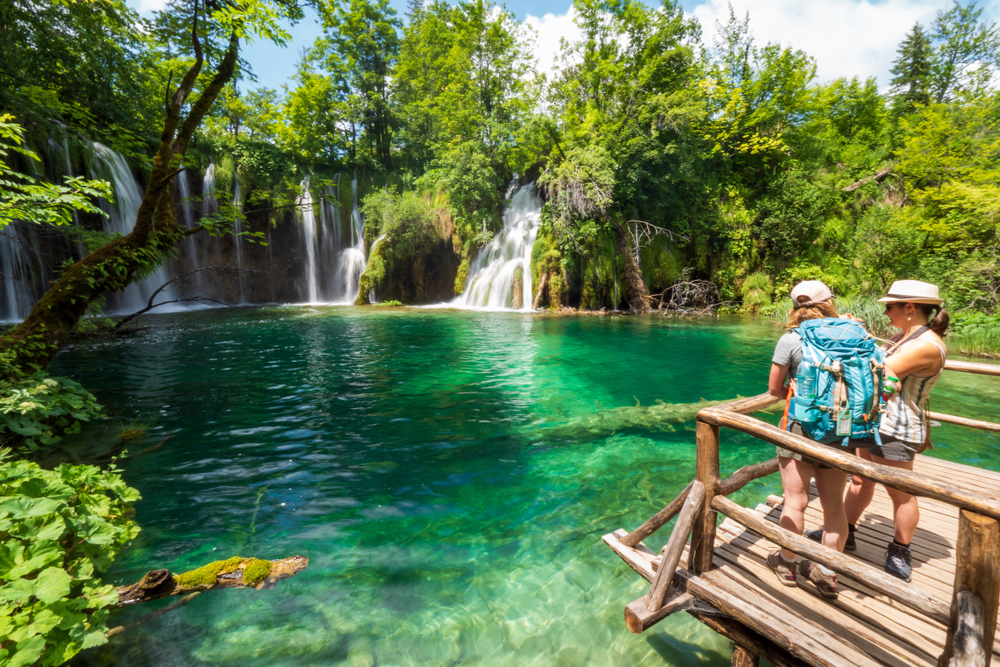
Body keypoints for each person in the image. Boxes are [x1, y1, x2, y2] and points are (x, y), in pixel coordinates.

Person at [841, 280, 949, 582]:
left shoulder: (927, 346)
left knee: (900, 494)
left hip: (897, 429)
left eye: (890, 307)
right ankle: (846, 532)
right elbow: (878, 361)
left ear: (910, 307)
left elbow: (876, 370)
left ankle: (900, 551)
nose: (886, 312)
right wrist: (858, 334)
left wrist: (853, 335)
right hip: (873, 421)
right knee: (860, 480)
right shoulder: (902, 336)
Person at [765, 280, 850, 600]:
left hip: (800, 427)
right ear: (829, 303)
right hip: (841, 427)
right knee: (834, 506)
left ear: (795, 306)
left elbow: (774, 390)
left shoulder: (791, 339)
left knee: (795, 500)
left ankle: (787, 564)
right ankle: (827, 574)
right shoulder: (852, 335)